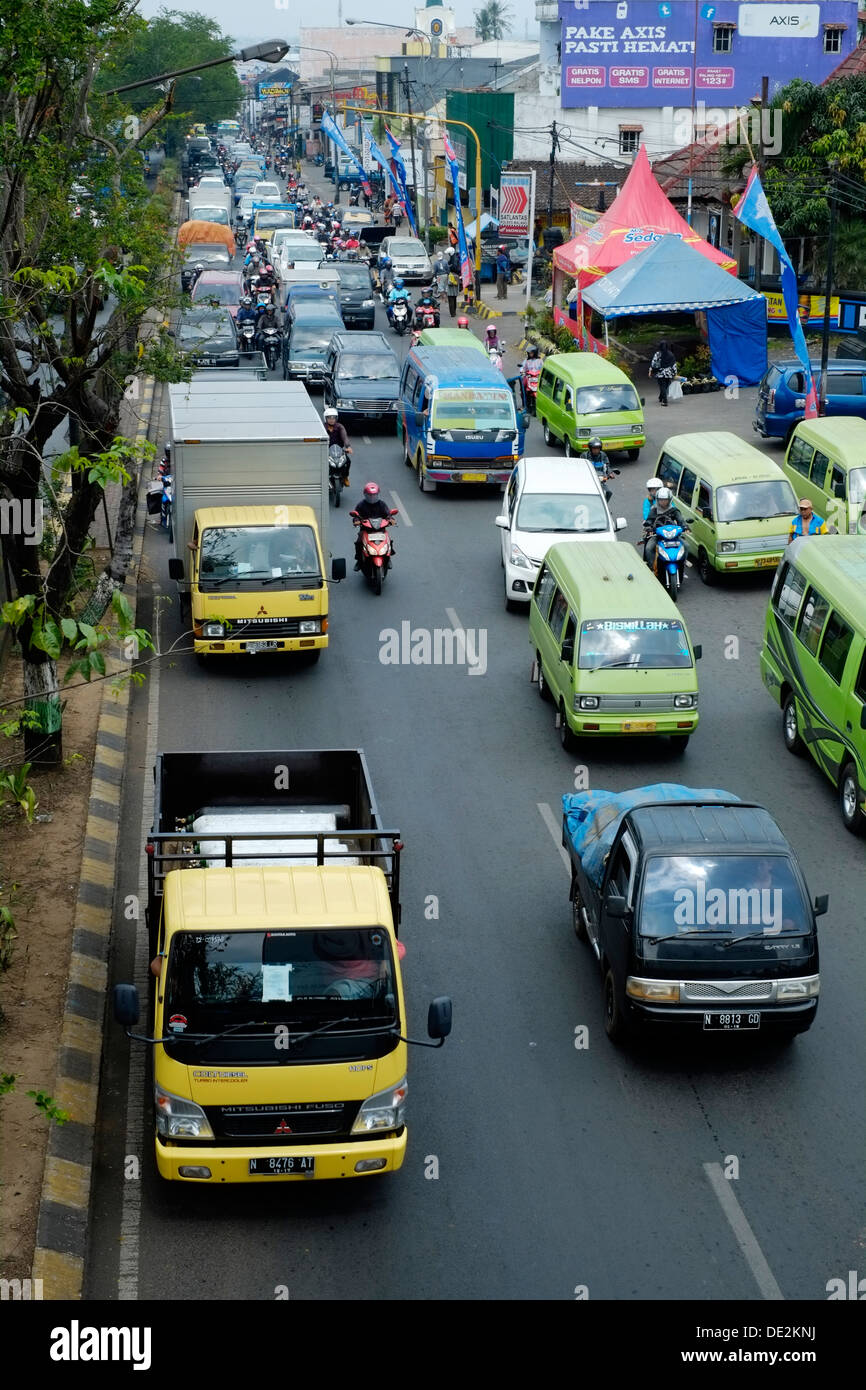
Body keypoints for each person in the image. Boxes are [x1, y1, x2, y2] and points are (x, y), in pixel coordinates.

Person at [352, 481, 393, 569]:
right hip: (366, 529)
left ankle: (388, 558)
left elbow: (388, 514)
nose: (372, 497)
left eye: (374, 495)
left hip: (380, 529)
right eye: (370, 495)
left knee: (389, 541)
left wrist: (391, 519)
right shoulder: (361, 505)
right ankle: (359, 561)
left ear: (378, 495)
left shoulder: (382, 504)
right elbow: (356, 515)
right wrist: (356, 520)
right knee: (358, 543)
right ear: (365, 495)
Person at [643, 485, 685, 572]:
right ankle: (652, 567)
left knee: (686, 546)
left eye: (665, 500)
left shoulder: (674, 510)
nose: (663, 502)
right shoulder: (654, 510)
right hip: (657, 535)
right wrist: (649, 528)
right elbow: (649, 520)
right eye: (661, 500)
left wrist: (685, 526)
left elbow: (681, 520)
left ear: (669, 500)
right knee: (649, 548)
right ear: (657, 500)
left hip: (673, 535)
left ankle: (682, 563)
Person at [323, 407, 352, 487]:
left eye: (334, 418)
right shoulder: (322, 427)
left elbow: (344, 437)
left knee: (348, 461)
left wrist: (348, 446)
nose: (332, 420)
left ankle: (345, 477)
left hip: (338, 451)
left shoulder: (340, 427)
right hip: (325, 450)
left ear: (336, 418)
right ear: (325, 418)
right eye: (329, 418)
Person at [579, 436, 614, 501]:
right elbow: (581, 468)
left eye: (597, 448)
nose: (596, 450)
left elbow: (607, 466)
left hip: (600, 481)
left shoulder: (603, 455)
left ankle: (604, 507)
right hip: (588, 481)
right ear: (590, 448)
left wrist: (610, 473)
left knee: (608, 492)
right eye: (594, 448)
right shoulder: (584, 455)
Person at [650, 340, 678, 406]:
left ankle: (665, 401)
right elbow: (674, 364)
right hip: (669, 373)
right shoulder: (671, 354)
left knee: (662, 386)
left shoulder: (658, 354)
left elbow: (653, 363)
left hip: (660, 373)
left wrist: (652, 370)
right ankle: (661, 397)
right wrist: (675, 373)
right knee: (665, 386)